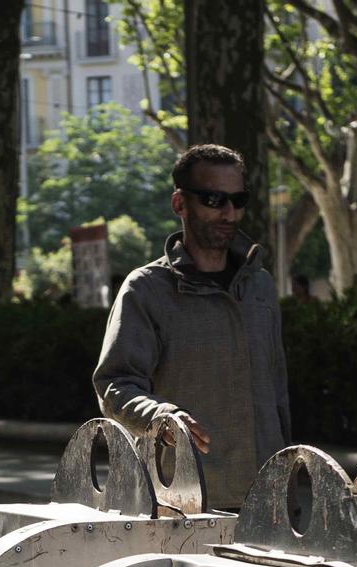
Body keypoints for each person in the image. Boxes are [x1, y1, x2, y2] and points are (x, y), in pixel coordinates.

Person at [91, 143, 291, 511]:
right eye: (214, 200)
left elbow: (277, 392)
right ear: (180, 204)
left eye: (238, 199)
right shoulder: (146, 288)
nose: (229, 213)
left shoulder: (259, 284)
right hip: (182, 505)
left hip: (269, 501)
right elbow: (115, 384)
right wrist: (159, 416)